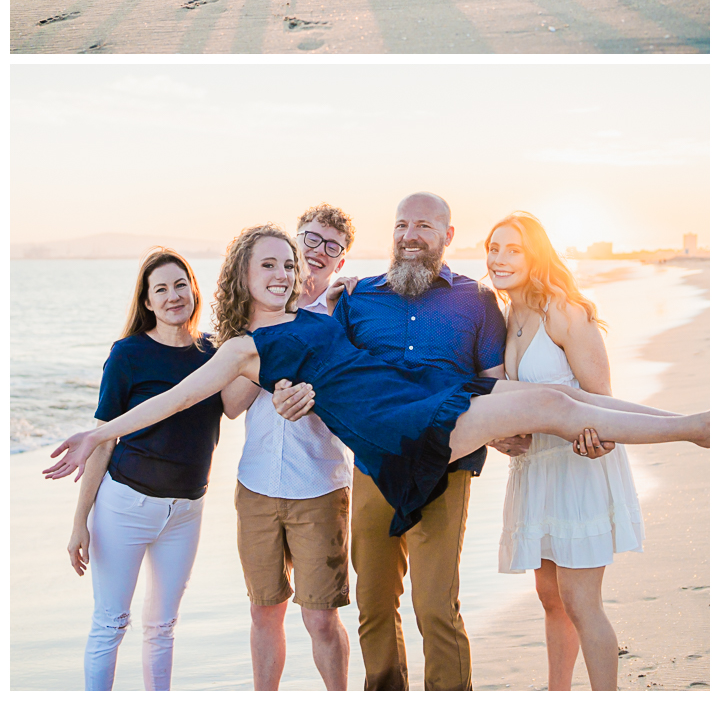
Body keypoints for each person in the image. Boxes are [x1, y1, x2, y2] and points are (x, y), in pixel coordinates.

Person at [45, 220, 710, 690]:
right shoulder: (241, 348)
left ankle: (693, 424)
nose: (280, 273)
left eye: (287, 263)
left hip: (415, 393)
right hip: (394, 426)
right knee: (552, 408)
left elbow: (360, 338)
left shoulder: (326, 314)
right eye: (266, 264)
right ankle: (694, 428)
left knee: (553, 400)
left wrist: (309, 384)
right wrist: (99, 433)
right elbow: (179, 398)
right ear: (242, 275)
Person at [278, 191, 508, 692]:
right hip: (374, 469)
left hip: (447, 468)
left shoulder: (478, 301)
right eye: (402, 225)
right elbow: (328, 373)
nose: (409, 237)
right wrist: (287, 391)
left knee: (435, 607)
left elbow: (497, 381)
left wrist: (511, 430)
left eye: (423, 227)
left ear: (447, 236)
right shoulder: (358, 299)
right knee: (374, 604)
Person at [66, 248, 238, 691]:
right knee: (111, 623)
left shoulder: (214, 353)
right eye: (160, 289)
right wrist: (79, 522)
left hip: (186, 513)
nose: (173, 295)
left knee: (163, 627)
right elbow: (103, 442)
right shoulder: (128, 355)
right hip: (124, 506)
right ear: (147, 302)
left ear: (194, 290)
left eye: (180, 284)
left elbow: (239, 405)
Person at [487, 213, 644, 691]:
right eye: (494, 248)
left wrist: (599, 438)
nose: (500, 258)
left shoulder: (564, 311)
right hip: (537, 470)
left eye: (514, 249)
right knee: (549, 598)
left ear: (536, 254)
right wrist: (500, 438)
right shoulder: (508, 316)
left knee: (580, 601)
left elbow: (603, 400)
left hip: (579, 467)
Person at [226, 204, 356, 690]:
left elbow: (357, 395)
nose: (318, 252)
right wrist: (268, 356)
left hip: (319, 484)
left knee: (320, 618)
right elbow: (231, 405)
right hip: (256, 484)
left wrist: (314, 392)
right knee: (264, 611)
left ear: (341, 261)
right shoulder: (251, 316)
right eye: (312, 239)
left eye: (332, 246)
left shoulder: (345, 314)